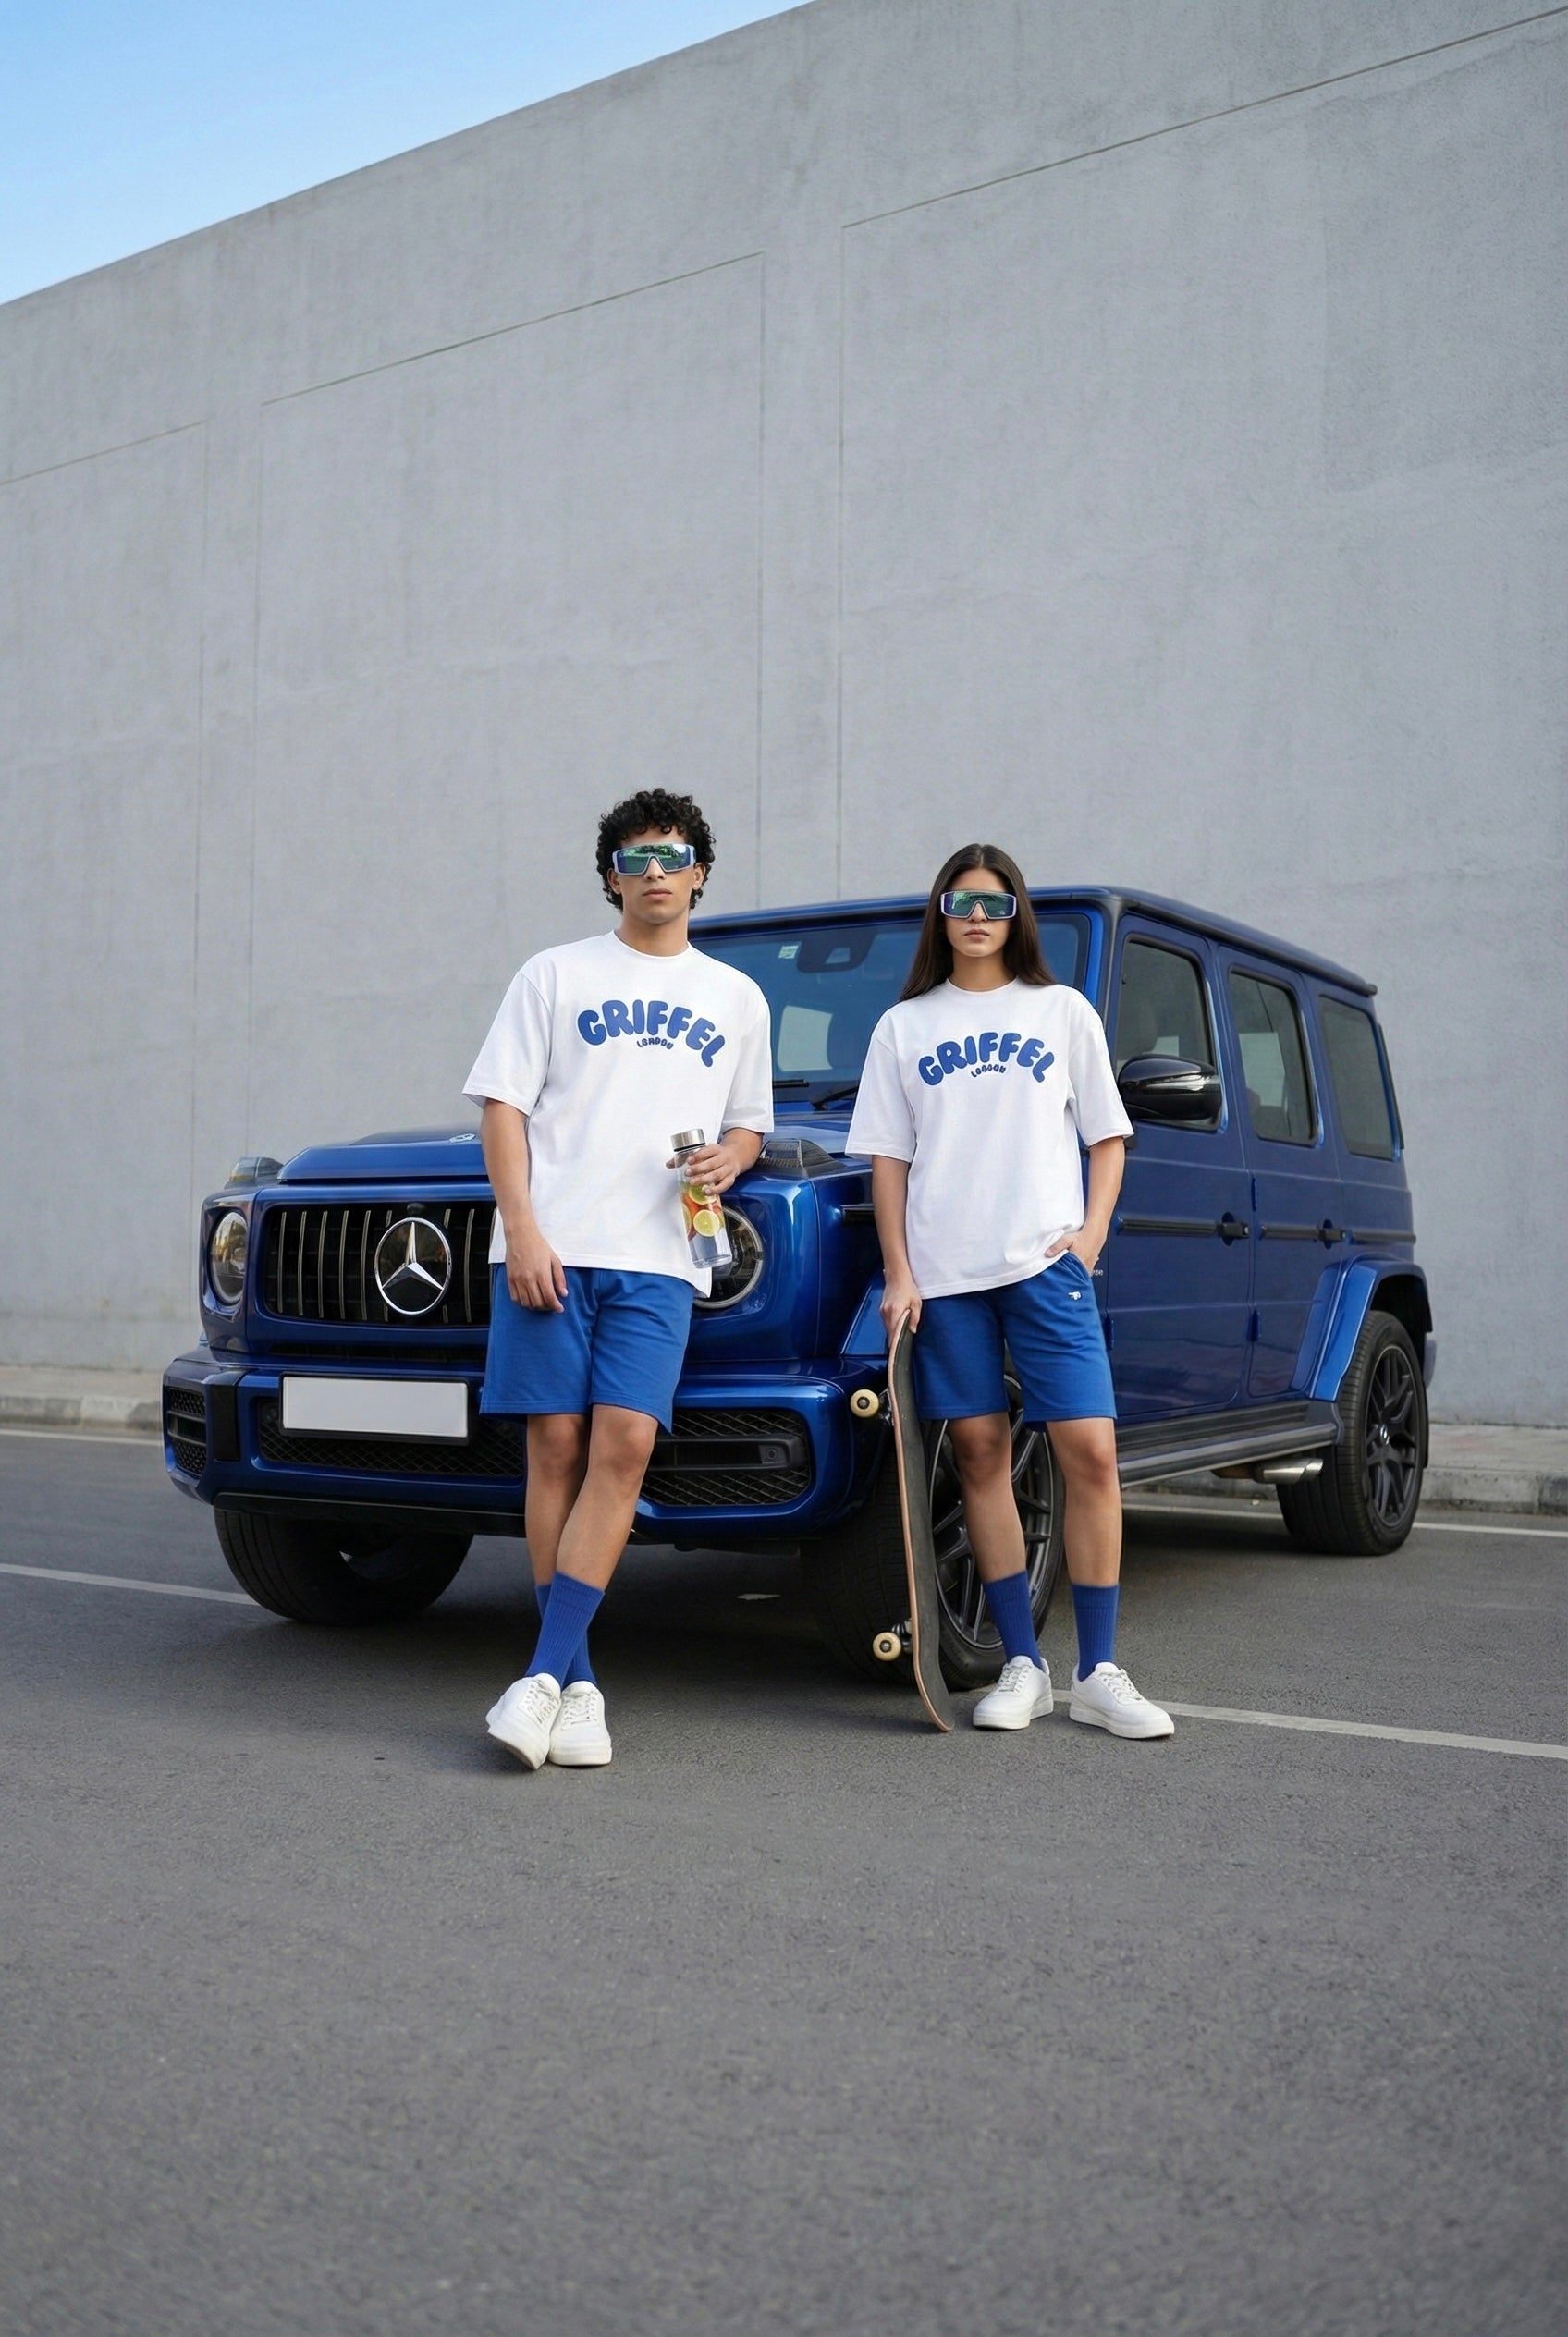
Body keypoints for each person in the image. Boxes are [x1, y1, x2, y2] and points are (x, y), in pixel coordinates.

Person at [464, 791, 773, 1769]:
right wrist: (522, 1231)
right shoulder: (553, 973)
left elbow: (749, 1124)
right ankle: (578, 1681)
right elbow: (502, 1109)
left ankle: (544, 1675)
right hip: (552, 1248)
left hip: (661, 1255)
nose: (654, 872)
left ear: (699, 872)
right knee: (554, 1448)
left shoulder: (736, 996)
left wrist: (731, 1158)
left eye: (671, 856)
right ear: (611, 875)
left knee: (626, 1444)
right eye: (635, 858)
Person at [846, 844, 1173, 1739]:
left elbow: (1108, 1138)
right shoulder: (903, 1027)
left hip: (1044, 1267)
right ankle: (1022, 1663)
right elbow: (888, 1161)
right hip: (946, 1278)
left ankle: (1099, 1670)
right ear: (941, 915)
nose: (978, 917)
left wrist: (1089, 1238)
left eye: (994, 903)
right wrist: (899, 1272)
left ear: (1016, 913)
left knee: (1090, 1453)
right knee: (981, 1455)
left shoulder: (1061, 1012)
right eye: (961, 902)